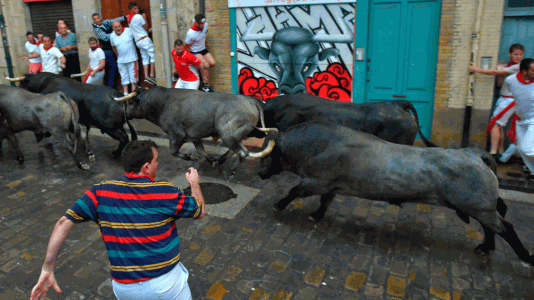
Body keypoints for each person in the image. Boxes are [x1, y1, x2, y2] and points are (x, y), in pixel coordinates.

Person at [30, 140, 205, 300]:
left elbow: (63, 222)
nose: (157, 164)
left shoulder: (99, 192)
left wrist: (47, 267)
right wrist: (194, 183)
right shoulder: (166, 191)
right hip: (165, 284)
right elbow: (200, 210)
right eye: (156, 160)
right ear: (146, 166)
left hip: (125, 288)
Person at [469, 43, 524, 160]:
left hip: (509, 100)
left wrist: (477, 69)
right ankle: (500, 151)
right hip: (504, 99)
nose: (518, 57)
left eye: (520, 54)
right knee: (500, 126)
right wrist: (501, 70)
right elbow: (500, 83)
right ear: (510, 54)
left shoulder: (519, 66)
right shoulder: (509, 66)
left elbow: (495, 72)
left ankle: (493, 154)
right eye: (515, 54)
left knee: (495, 124)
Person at [506, 58, 534, 180]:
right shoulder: (510, 81)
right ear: (524, 71)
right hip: (520, 120)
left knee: (527, 149)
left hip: (533, 119)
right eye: (533, 70)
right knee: (522, 150)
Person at [92, 13, 127, 88]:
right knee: (112, 68)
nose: (97, 20)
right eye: (95, 19)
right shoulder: (97, 29)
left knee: (114, 68)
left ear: (100, 18)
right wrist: (118, 32)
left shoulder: (105, 22)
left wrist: (124, 17)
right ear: (93, 20)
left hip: (112, 48)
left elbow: (114, 20)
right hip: (106, 50)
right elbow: (106, 37)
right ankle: (110, 88)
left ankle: (112, 87)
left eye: (98, 18)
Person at [127, 2, 156, 85]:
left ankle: (146, 77)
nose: (137, 10)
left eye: (137, 8)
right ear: (131, 9)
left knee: (145, 58)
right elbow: (146, 27)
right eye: (135, 9)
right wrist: (145, 18)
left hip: (138, 41)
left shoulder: (129, 18)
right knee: (153, 55)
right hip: (144, 39)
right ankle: (152, 75)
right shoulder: (138, 17)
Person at [185, 13, 215, 92]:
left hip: (203, 49)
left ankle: (200, 71)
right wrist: (191, 58)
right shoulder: (191, 33)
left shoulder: (205, 26)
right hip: (195, 51)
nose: (203, 24)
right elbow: (186, 47)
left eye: (204, 22)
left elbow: (204, 37)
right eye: (201, 23)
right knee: (206, 65)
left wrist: (206, 45)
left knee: (212, 63)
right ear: (196, 23)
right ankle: (206, 86)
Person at [110, 21, 139, 95]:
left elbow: (137, 38)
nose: (118, 28)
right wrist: (118, 56)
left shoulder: (128, 30)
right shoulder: (112, 36)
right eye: (116, 27)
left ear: (121, 25)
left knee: (133, 77)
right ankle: (125, 93)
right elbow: (113, 47)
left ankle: (133, 94)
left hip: (132, 59)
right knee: (123, 77)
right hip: (121, 60)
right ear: (113, 28)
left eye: (119, 26)